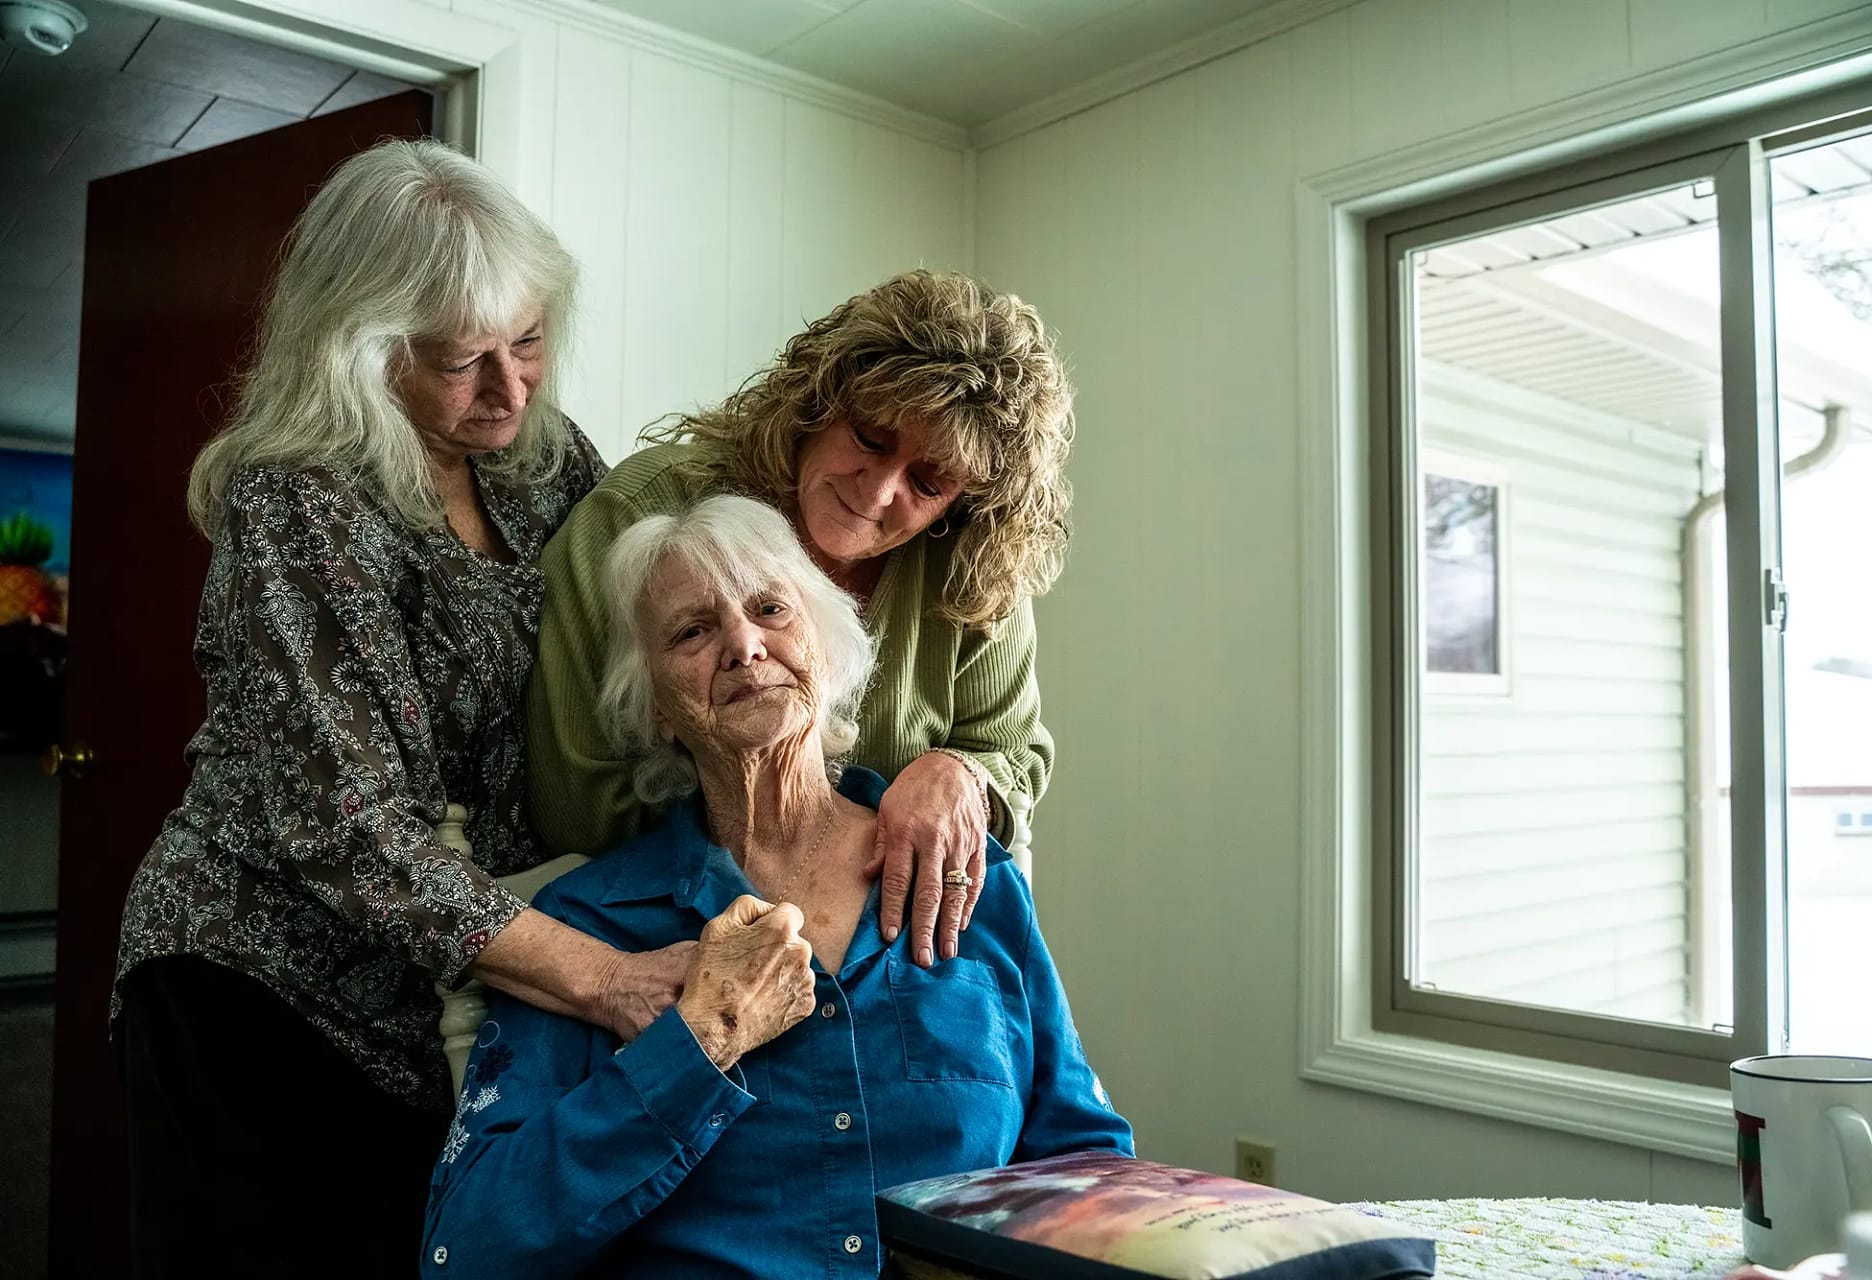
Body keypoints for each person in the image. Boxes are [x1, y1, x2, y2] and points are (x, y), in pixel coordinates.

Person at [112, 139, 693, 1276]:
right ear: (362, 349)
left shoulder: (549, 460)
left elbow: (654, 608)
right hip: (259, 979)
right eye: (459, 360)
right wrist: (609, 976)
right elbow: (349, 826)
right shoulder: (299, 500)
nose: (509, 387)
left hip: (450, 988)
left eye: (527, 341)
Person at [422, 496, 1132, 1277]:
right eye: (693, 631)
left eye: (769, 609)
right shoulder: (585, 925)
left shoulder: (969, 877)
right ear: (656, 708)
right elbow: (469, 1246)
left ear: (825, 649)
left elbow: (1081, 1160)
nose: (743, 645)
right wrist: (698, 1043)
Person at [528, 269, 1074, 971]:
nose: (877, 492)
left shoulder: (970, 571)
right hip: (668, 944)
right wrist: (789, 853)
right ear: (817, 403)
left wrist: (958, 773)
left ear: (962, 506)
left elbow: (1014, 754)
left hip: (895, 947)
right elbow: (577, 797)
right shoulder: (643, 513)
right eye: (871, 439)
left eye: (928, 483)